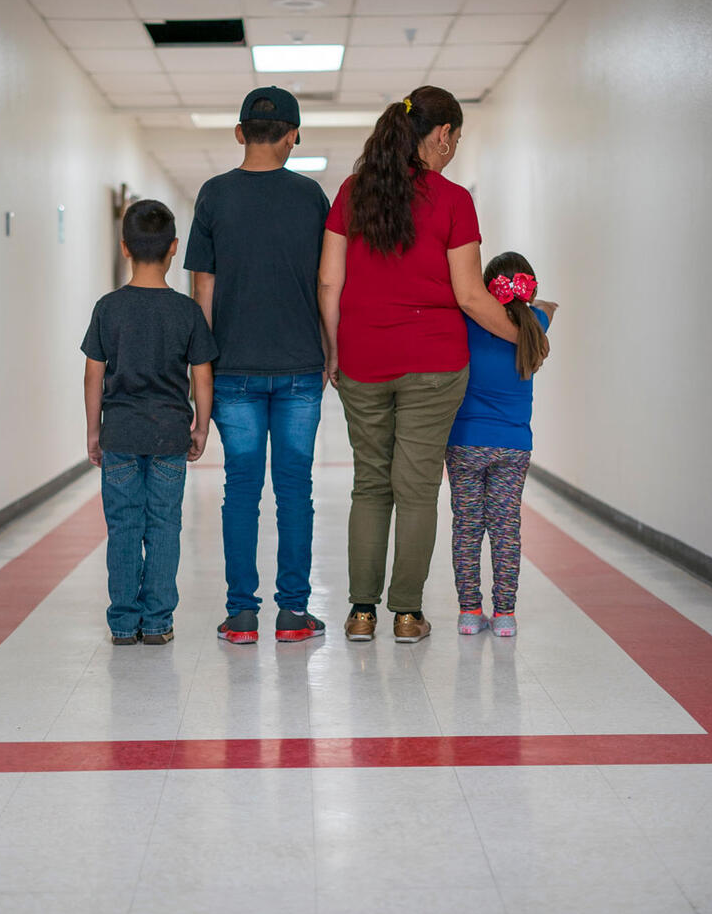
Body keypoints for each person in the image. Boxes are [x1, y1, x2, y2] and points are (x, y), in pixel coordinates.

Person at [319, 84, 526, 644]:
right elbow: (471, 296)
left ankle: (362, 613)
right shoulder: (454, 201)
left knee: (370, 485)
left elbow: (329, 280)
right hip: (434, 362)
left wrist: (334, 347)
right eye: (455, 137)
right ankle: (407, 615)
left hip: (363, 357)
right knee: (415, 489)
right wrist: (525, 338)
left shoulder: (352, 192)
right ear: (440, 135)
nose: (454, 148)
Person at [185, 87, 330, 645]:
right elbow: (325, 282)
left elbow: (203, 288)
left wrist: (202, 367)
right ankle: (293, 615)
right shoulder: (310, 196)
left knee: (241, 489)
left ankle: (241, 615)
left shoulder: (214, 195)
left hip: (233, 369)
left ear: (240, 132)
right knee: (295, 489)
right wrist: (330, 347)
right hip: (299, 366)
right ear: (293, 134)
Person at [82, 200, 218, 645]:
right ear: (174, 248)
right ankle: (157, 622)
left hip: (120, 432)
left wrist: (93, 431)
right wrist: (200, 426)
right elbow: (202, 374)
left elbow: (93, 373)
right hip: (168, 436)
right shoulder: (186, 312)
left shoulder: (108, 308)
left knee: (123, 528)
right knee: (163, 525)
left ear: (125, 248)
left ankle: (123, 623)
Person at [446, 252, 557, 637]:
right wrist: (533, 302)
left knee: (467, 528)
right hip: (514, 446)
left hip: (465, 442)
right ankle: (505, 614)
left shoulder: (467, 323)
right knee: (506, 529)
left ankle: (469, 612)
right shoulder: (535, 325)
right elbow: (548, 306)